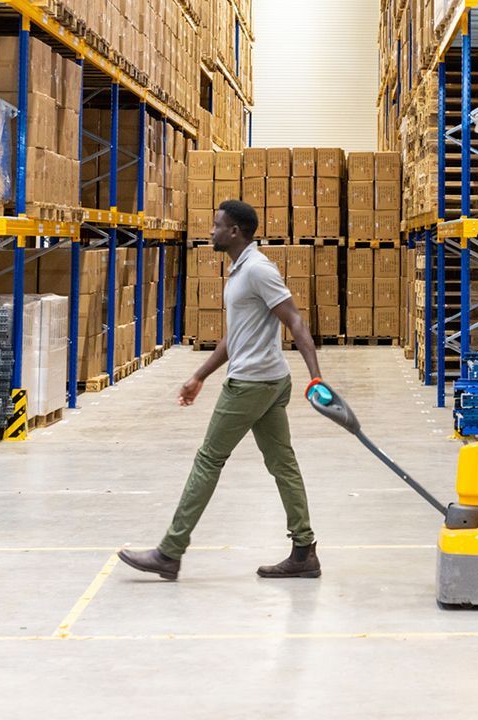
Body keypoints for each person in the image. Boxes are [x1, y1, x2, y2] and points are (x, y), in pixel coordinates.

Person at [119, 199, 324, 581]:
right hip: (268, 380)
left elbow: (295, 320)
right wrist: (199, 376)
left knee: (208, 460)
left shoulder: (258, 270)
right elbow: (234, 338)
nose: (210, 231)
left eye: (216, 226)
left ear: (234, 232)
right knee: (283, 465)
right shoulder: (239, 271)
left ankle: (170, 551)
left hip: (251, 384)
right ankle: (303, 550)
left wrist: (316, 377)